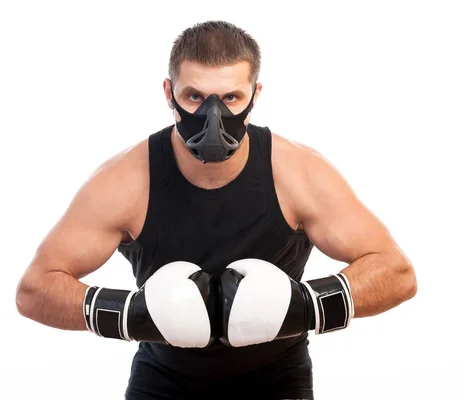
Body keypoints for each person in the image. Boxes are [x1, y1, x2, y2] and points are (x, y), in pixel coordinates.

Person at [15, 20, 417, 399]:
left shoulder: (298, 174)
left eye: (230, 97)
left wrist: (302, 306)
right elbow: (34, 290)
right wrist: (131, 314)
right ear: (168, 93)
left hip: (278, 378)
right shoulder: (124, 182)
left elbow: (396, 273)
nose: (213, 115)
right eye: (194, 96)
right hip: (163, 381)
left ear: (254, 96)